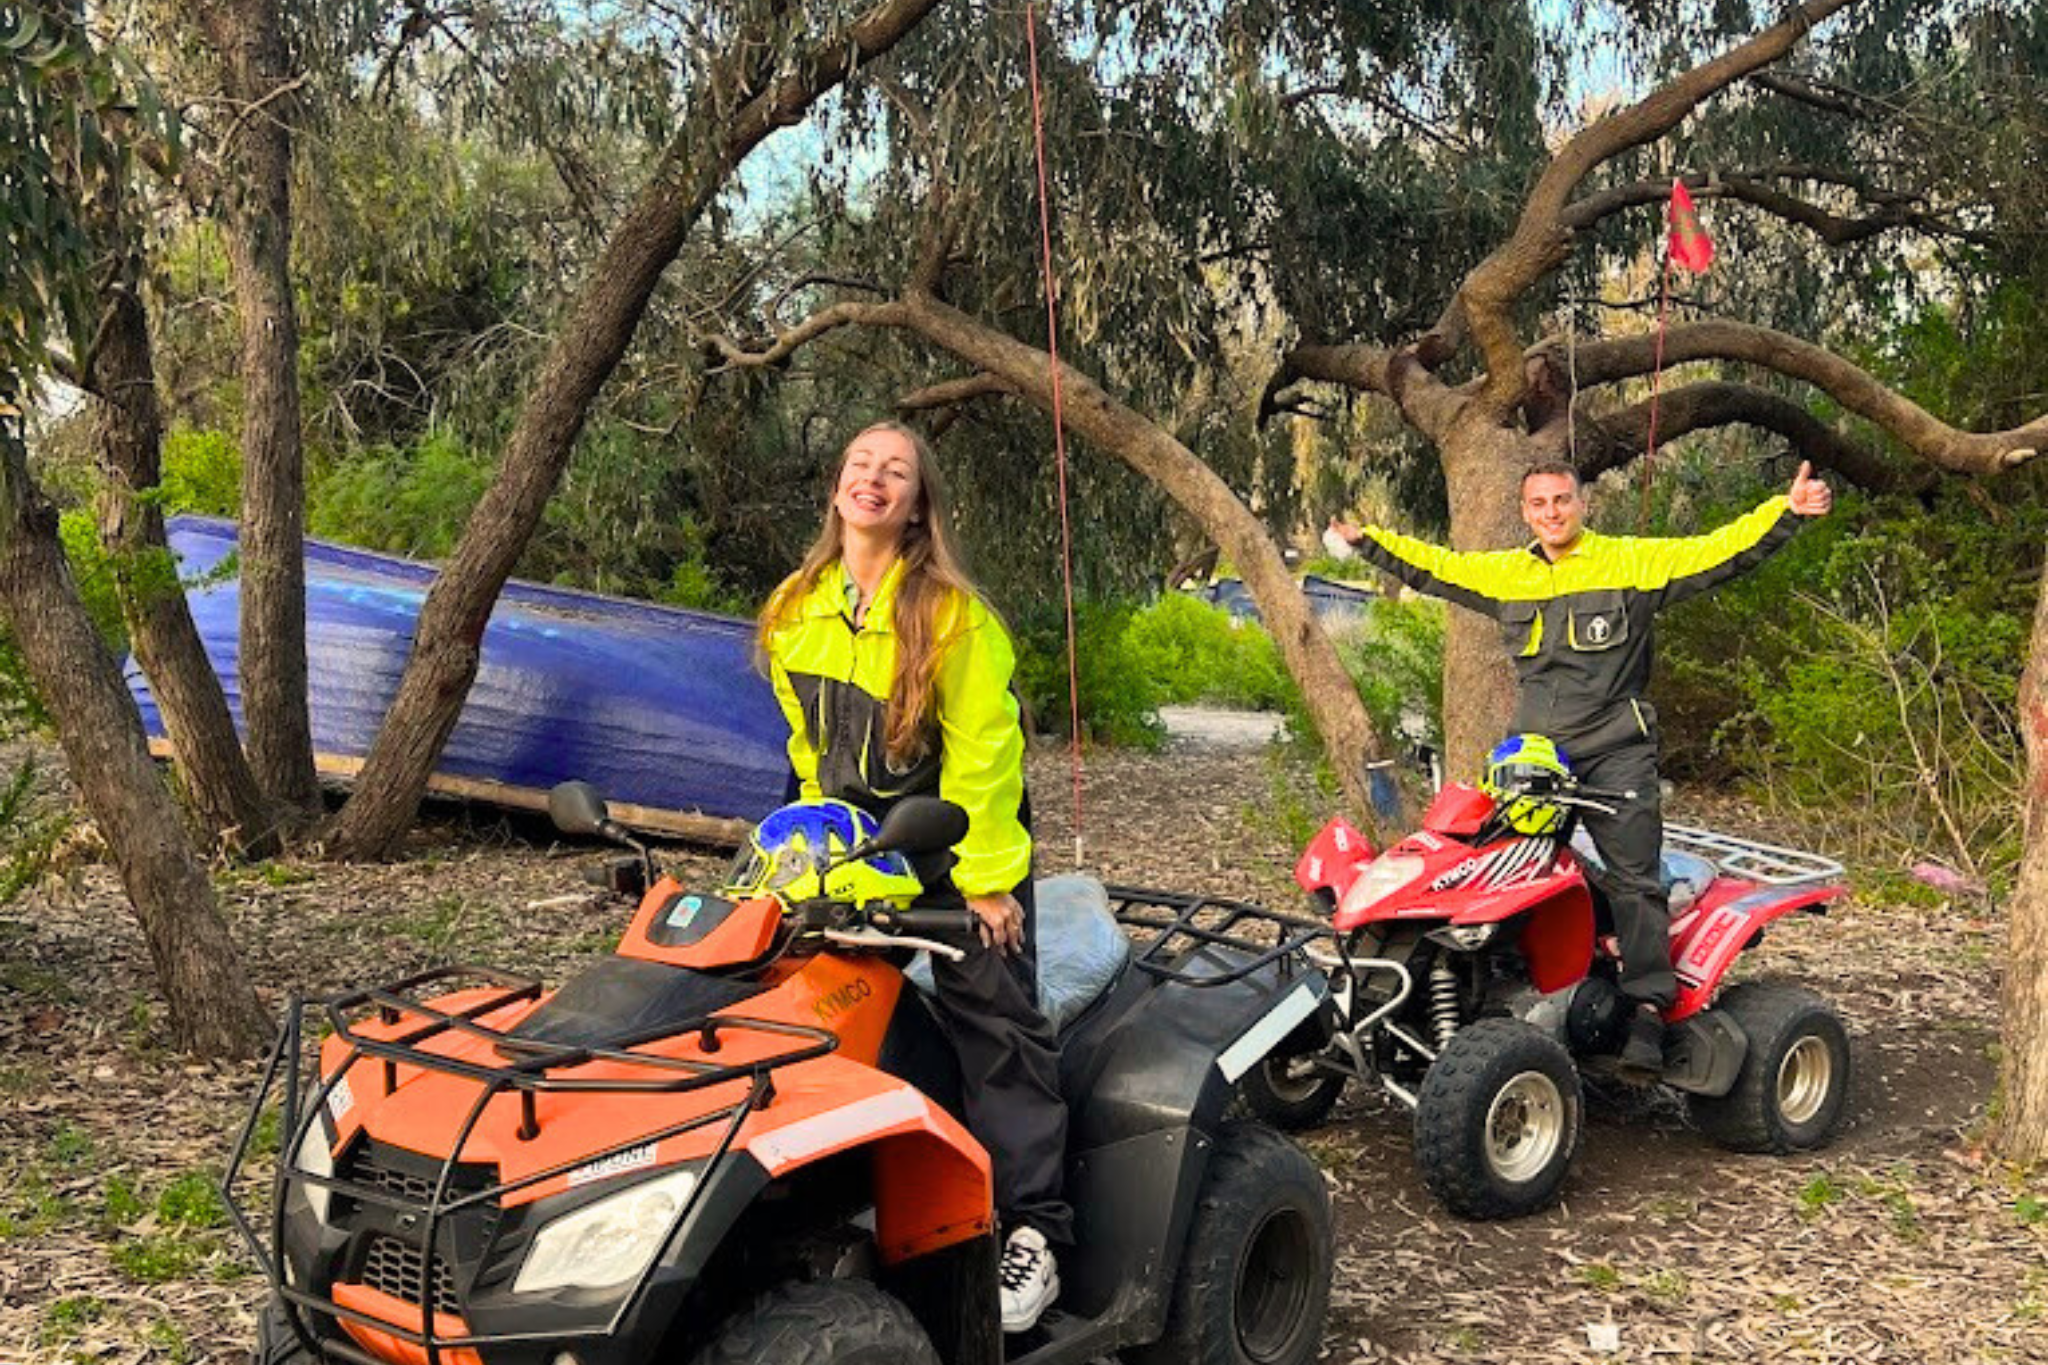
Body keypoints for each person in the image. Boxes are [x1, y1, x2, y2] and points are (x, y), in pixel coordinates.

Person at [1333, 459, 1832, 1073]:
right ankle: (1497, 989)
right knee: (1494, 863)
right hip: (1534, 754)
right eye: (1539, 503)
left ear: (1582, 504)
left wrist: (1786, 513)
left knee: (1633, 876)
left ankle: (1648, 1007)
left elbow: (1719, 552)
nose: (1552, 513)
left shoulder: (1630, 562)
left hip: (1616, 748)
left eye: (1561, 500)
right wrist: (1366, 542)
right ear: (1525, 512)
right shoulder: (1507, 573)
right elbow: (1435, 567)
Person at [756, 420, 1070, 1332]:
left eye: (895, 471)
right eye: (861, 463)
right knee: (797, 1006)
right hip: (858, 853)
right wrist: (809, 848)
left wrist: (987, 880)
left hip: (952, 851)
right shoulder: (795, 607)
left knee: (997, 1018)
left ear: (918, 504)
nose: (874, 478)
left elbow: (986, 757)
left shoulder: (954, 616)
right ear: (837, 487)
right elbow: (808, 748)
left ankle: (1035, 1232)